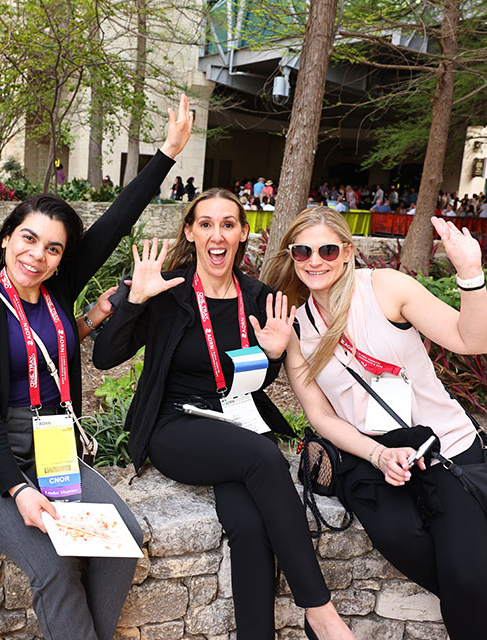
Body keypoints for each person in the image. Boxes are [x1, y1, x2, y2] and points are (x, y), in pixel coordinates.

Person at [0, 96, 194, 640]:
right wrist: (17, 490)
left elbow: (114, 221)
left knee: (120, 541)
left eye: (54, 248)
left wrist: (167, 155)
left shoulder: (55, 292)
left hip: (55, 447)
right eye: (29, 238)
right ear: (8, 238)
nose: (38, 255)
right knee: (54, 564)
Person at [91, 189, 356, 640]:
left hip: (238, 421)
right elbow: (103, 357)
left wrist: (272, 354)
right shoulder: (165, 290)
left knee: (250, 526)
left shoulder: (259, 297)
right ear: (191, 232)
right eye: (207, 223)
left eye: (228, 224)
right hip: (176, 425)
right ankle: (320, 611)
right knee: (264, 457)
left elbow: (254, 377)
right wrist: (136, 300)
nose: (218, 234)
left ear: (242, 233)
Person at [262, 206, 487, 640]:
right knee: (406, 542)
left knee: (465, 580)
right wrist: (378, 452)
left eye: (328, 249)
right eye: (303, 251)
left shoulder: (385, 289)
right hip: (375, 461)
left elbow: (475, 340)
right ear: (292, 256)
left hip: (443, 451)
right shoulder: (295, 326)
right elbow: (319, 415)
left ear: (348, 252)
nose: (315, 260)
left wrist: (470, 274)